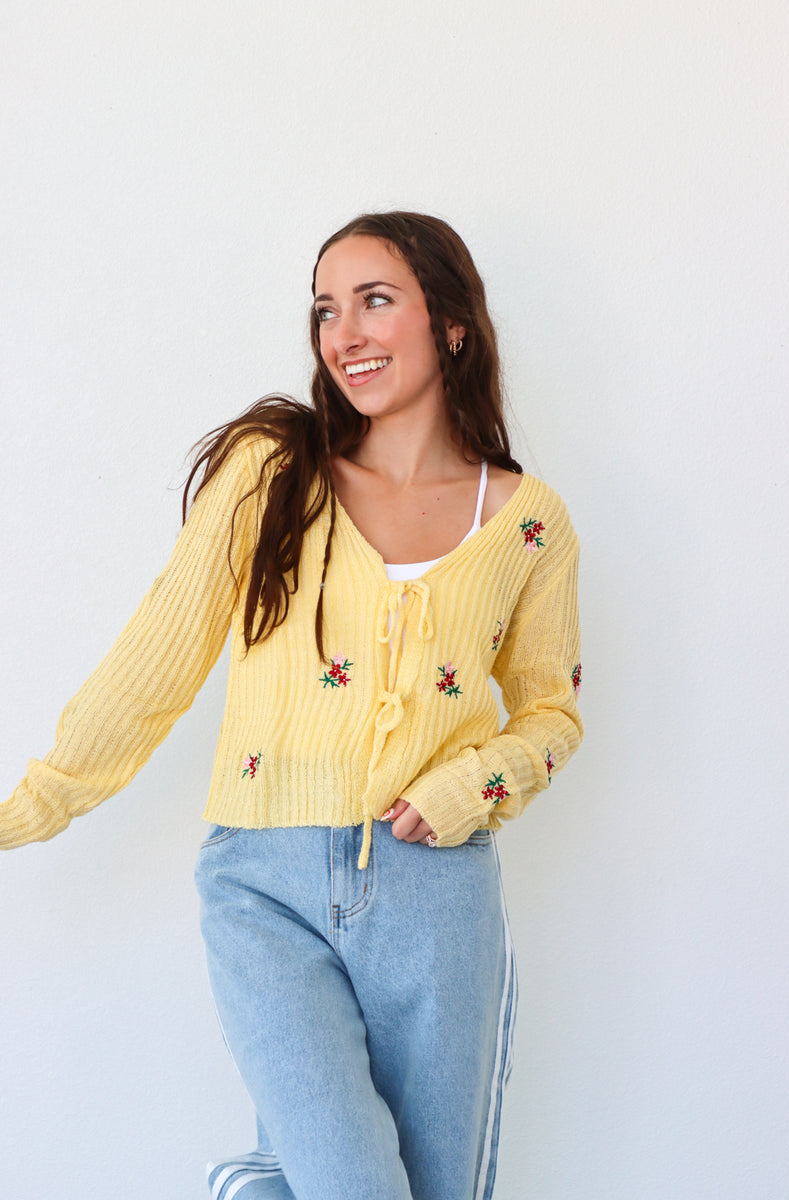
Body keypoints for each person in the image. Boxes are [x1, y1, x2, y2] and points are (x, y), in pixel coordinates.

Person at [1, 211, 583, 1200]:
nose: (343, 332)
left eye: (374, 301)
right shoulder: (274, 473)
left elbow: (549, 713)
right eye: (325, 309)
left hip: (435, 892)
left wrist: (474, 782)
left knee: (438, 1189)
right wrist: (34, 806)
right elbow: (156, 660)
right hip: (261, 884)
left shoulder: (528, 522)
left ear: (449, 323)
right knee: (349, 1185)